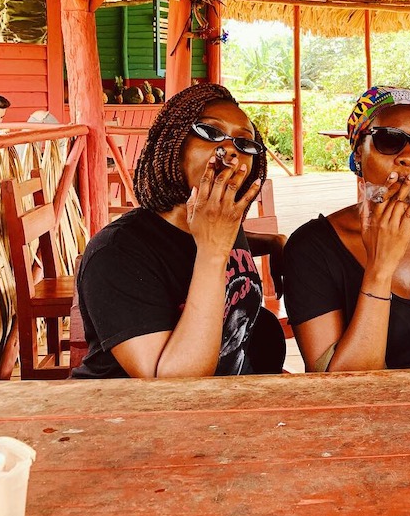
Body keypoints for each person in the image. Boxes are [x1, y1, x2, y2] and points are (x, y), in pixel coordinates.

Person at [72, 82, 285, 378]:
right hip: (138, 413)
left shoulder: (218, 221)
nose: (230, 151)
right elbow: (173, 386)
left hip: (228, 402)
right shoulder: (116, 253)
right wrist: (213, 253)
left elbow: (187, 243)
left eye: (244, 143)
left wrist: (274, 243)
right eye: (211, 132)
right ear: (173, 143)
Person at [283, 86, 410, 371]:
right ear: (359, 152)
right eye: (389, 140)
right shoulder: (311, 248)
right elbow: (342, 387)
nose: (408, 157)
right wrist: (380, 268)